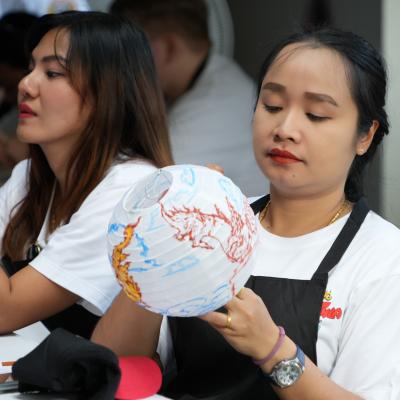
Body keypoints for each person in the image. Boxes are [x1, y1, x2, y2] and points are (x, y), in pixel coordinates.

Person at [92, 27, 400, 399]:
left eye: (316, 114)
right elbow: (111, 364)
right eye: (272, 106)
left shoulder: (383, 255)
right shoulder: (212, 224)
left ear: (365, 135)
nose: (285, 129)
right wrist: (158, 239)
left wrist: (272, 349)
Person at [0, 10, 173, 339]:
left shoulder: (131, 191)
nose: (25, 84)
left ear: (108, 92)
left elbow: (4, 311)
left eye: (52, 73)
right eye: (30, 68)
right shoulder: (29, 177)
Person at [109, 0, 266, 197]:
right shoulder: (218, 75)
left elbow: (141, 191)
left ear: (169, 48)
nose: (121, 65)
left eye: (129, 51)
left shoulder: (213, 110)